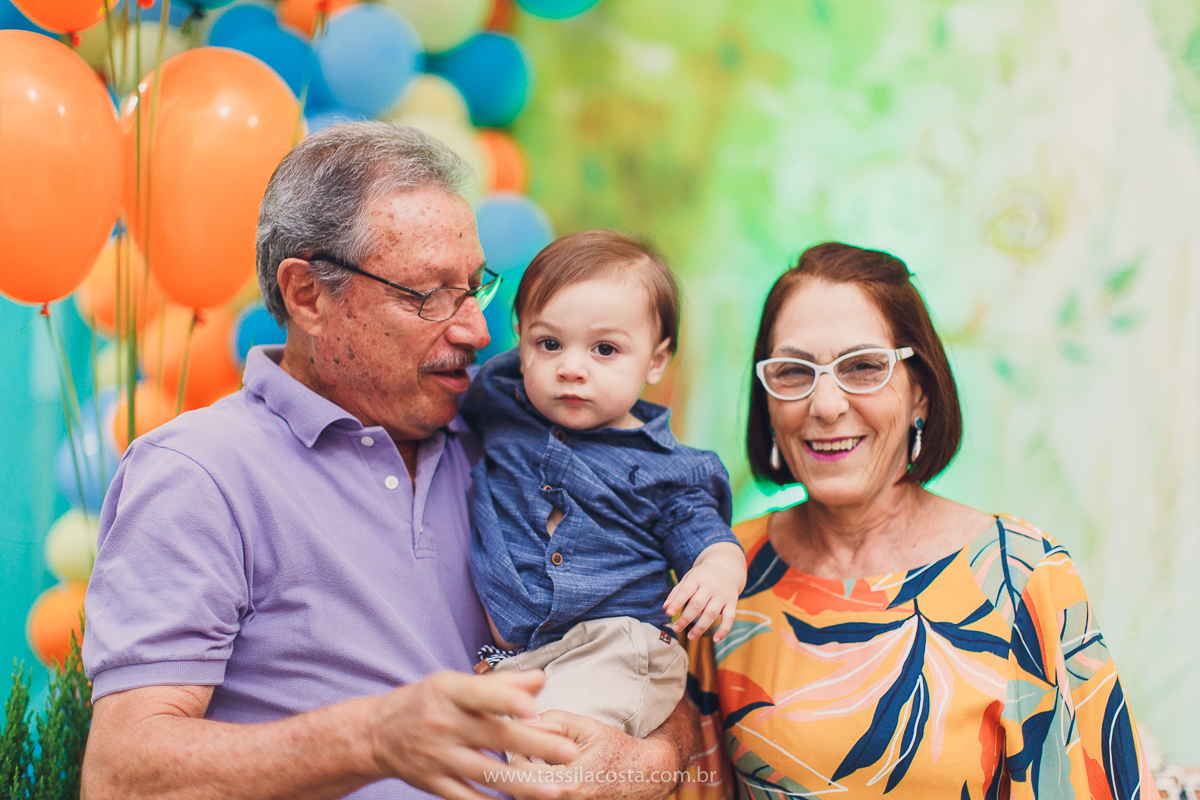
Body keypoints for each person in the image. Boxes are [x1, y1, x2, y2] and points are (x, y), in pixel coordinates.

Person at [80, 123, 696, 800]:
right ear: (308, 295)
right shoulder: (199, 472)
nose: (476, 331)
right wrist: (371, 738)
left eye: (474, 287)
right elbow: (123, 775)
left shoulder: (513, 440)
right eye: (427, 294)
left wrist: (645, 763)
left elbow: (646, 662)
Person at [673, 242, 1157, 799]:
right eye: (793, 371)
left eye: (863, 367)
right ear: (769, 399)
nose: (825, 404)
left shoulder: (1022, 574)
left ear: (920, 393)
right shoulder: (726, 574)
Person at [461, 231, 746, 740]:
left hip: (619, 648)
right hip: (522, 659)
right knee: (493, 743)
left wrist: (720, 570)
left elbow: (707, 537)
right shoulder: (498, 404)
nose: (571, 368)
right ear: (520, 342)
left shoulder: (667, 471)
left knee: (555, 748)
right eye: (549, 343)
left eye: (605, 349)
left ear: (656, 361)